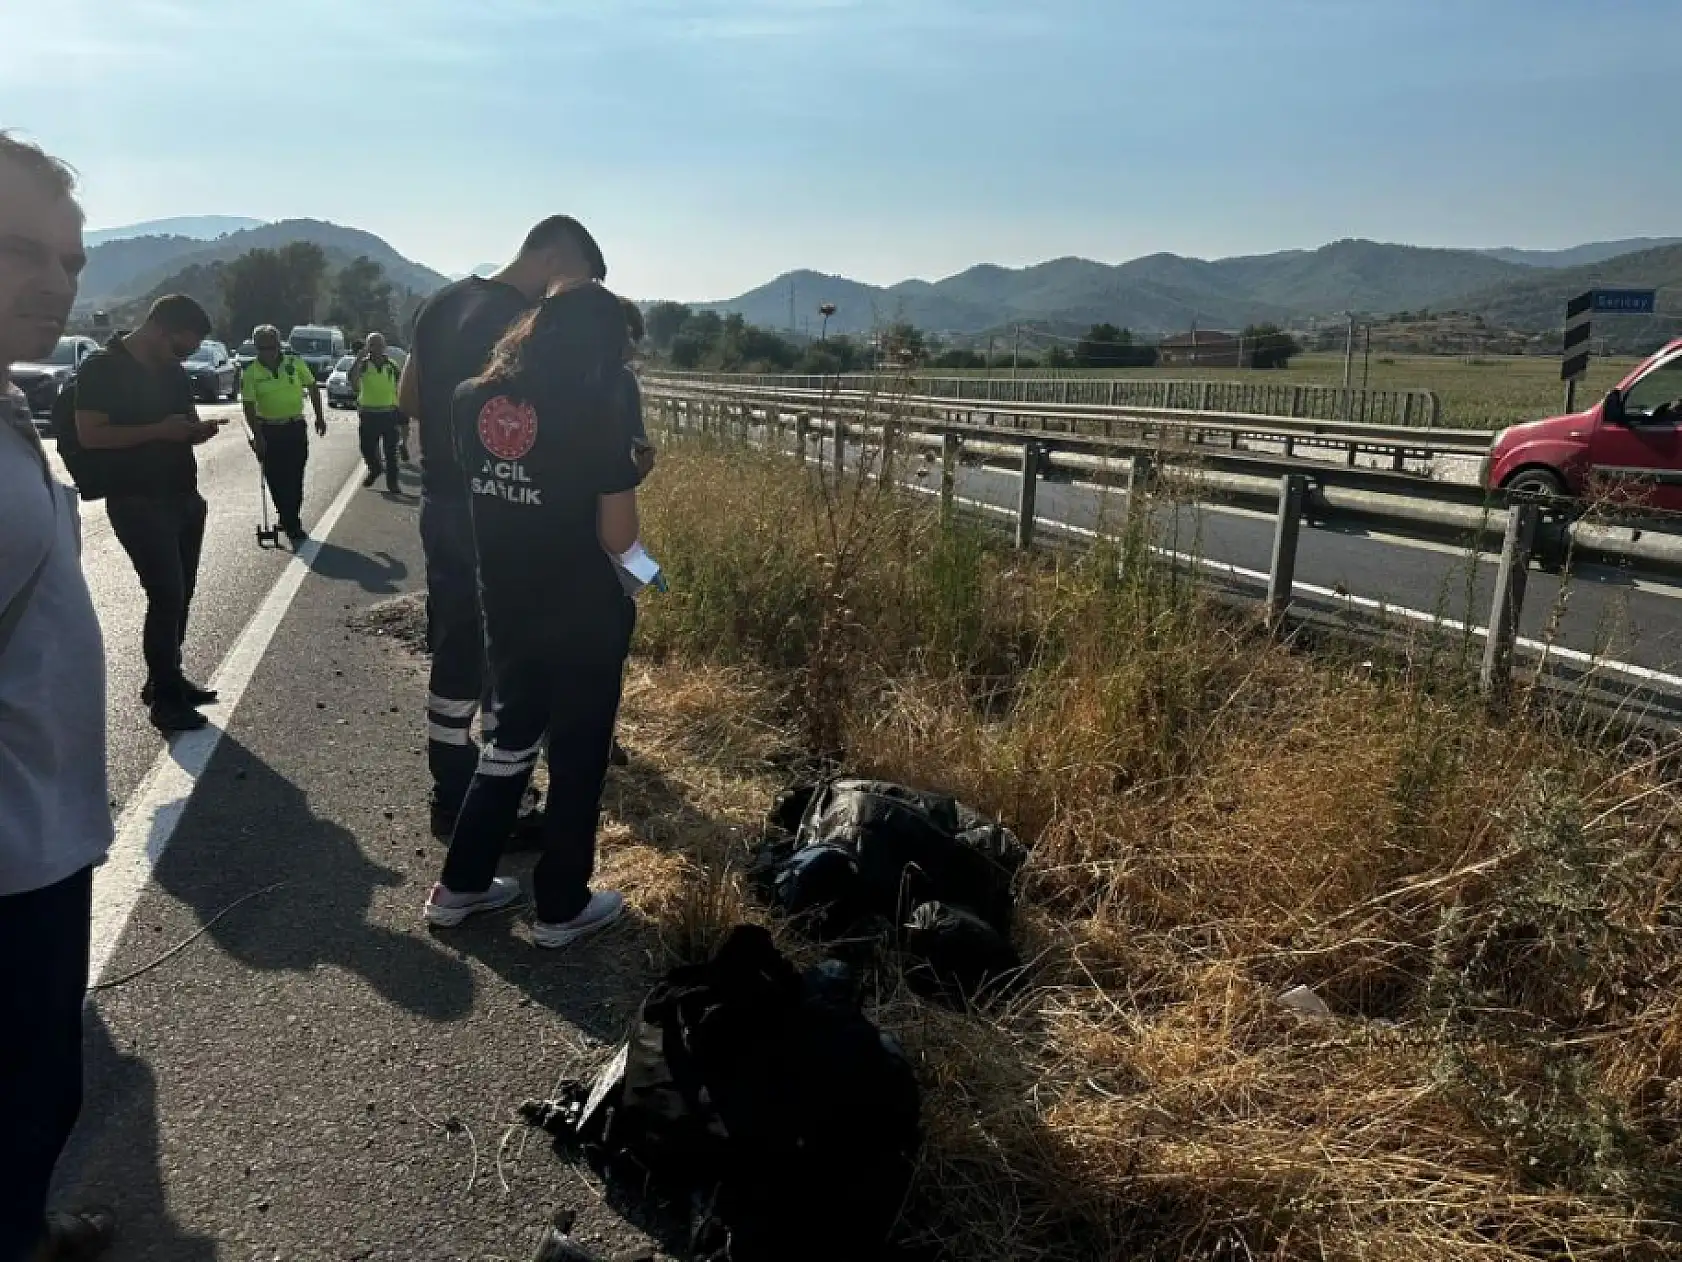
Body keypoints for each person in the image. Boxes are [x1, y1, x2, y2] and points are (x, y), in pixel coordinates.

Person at [424, 280, 645, 947]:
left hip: (507, 603)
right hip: (583, 610)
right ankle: (561, 905)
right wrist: (650, 579)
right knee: (578, 755)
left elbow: (512, 489)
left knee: (509, 741)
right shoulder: (597, 405)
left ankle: (459, 886)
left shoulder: (471, 400)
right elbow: (618, 539)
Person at [0, 131, 118, 1262]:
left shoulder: (8, 403)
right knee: (26, 1092)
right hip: (12, 862)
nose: (54, 281)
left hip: (41, 834)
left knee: (40, 1095)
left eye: (70, 260)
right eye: (18, 251)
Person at [398, 215, 605, 839]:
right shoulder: (527, 325)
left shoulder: (440, 304)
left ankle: (449, 788)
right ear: (556, 262)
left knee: (456, 645)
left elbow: (409, 399)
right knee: (505, 659)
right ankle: (493, 807)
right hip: (504, 512)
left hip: (442, 502)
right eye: (576, 284)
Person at [73, 294, 223, 734]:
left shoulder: (172, 370)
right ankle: (165, 701)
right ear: (159, 329)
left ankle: (166, 678)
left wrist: (196, 431)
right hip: (136, 500)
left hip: (183, 495)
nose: (185, 357)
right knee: (166, 594)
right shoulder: (103, 367)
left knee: (184, 593)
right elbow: (91, 435)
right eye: (182, 347)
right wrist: (159, 430)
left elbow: (184, 420)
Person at [240, 324, 326, 546]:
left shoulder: (294, 363)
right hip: (269, 429)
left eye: (270, 346)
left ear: (279, 345)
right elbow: (248, 406)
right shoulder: (251, 372)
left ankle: (291, 520)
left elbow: (313, 387)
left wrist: (319, 416)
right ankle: (285, 514)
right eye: (261, 348)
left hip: (294, 427)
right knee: (274, 477)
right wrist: (257, 435)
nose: (267, 352)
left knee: (295, 476)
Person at [350, 331, 403, 493]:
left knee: (391, 452)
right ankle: (375, 469)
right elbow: (353, 381)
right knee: (367, 448)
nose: (376, 348)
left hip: (389, 413)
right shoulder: (364, 365)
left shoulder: (392, 365)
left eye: (379, 345)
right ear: (368, 347)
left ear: (384, 346)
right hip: (368, 414)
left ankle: (392, 483)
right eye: (372, 345)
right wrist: (360, 358)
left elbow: (401, 386)